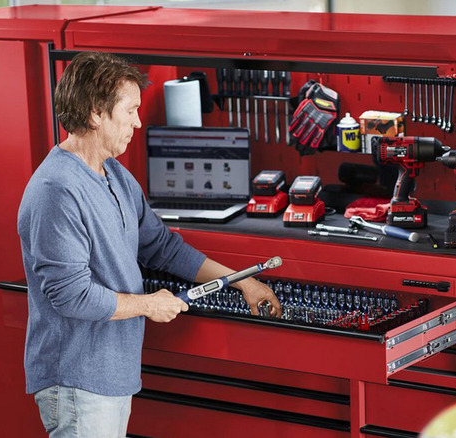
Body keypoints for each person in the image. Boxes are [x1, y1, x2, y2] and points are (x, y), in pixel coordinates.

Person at [17, 51, 281, 438]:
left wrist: (241, 280)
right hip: (77, 379)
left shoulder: (116, 176)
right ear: (95, 113)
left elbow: (162, 247)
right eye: (130, 111)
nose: (138, 122)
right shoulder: (56, 191)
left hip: (111, 374)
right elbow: (71, 296)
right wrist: (149, 305)